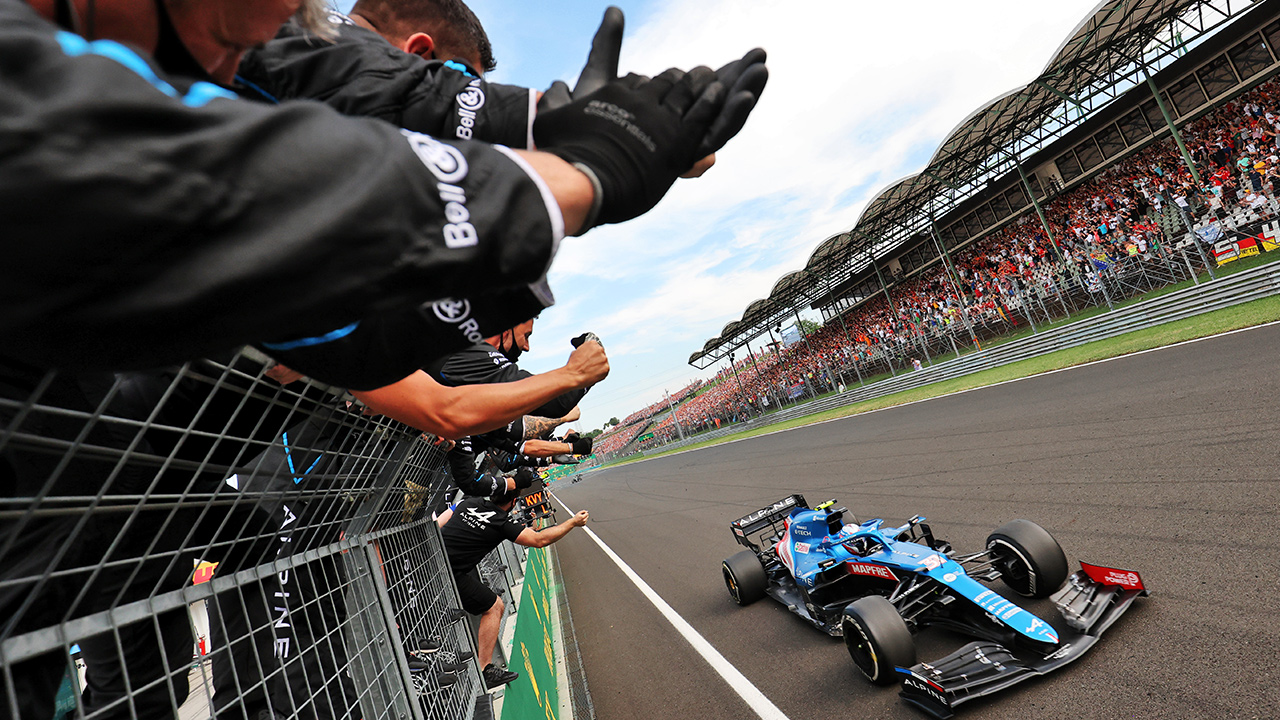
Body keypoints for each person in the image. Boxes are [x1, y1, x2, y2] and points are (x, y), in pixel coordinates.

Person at [436, 486, 588, 688]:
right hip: (450, 572)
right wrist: (573, 522)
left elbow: (438, 524)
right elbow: (540, 540)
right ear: (513, 502)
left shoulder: (467, 503)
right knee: (494, 607)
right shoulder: (502, 522)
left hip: (433, 559)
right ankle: (484, 670)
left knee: (490, 602)